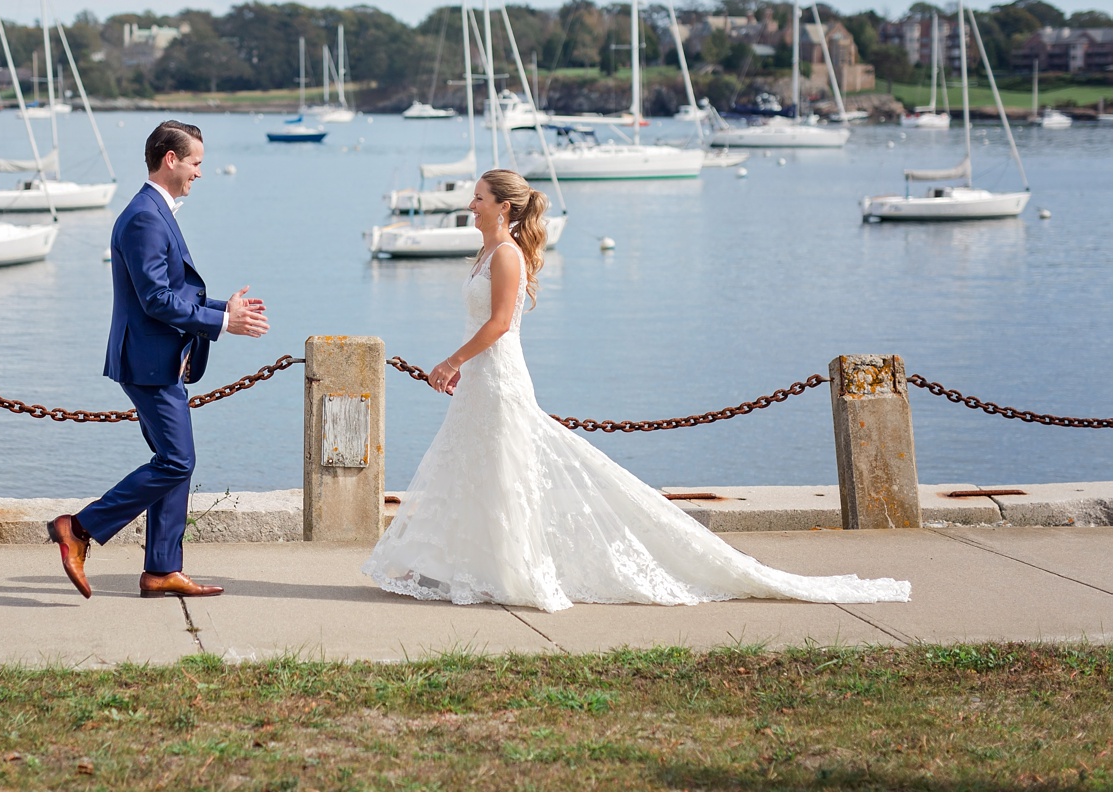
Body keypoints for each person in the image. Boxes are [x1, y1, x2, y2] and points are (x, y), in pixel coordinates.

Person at [362, 168, 911, 612]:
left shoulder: (505, 255)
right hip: (482, 379)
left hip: (499, 377)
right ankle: (470, 566)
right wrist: (462, 365)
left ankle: (513, 569)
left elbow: (502, 322)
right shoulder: (484, 253)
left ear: (503, 206)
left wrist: (450, 361)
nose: (471, 205)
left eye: (479, 198)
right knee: (474, 469)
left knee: (505, 470)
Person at [49, 120, 268, 600]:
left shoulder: (154, 211)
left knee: (175, 461)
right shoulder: (146, 216)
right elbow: (156, 300)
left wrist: (220, 310)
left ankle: (162, 570)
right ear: (171, 159)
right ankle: (79, 528)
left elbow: (171, 292)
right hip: (147, 360)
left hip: (158, 359)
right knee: (176, 459)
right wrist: (223, 324)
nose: (200, 173)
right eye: (196, 162)